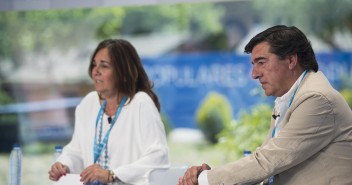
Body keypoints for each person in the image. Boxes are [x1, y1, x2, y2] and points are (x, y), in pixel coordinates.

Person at [178, 25, 352, 185]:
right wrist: (213, 175)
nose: (254, 74)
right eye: (253, 65)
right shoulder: (288, 97)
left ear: (291, 60)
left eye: (261, 62)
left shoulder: (317, 99)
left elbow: (268, 161)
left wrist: (205, 180)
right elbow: (265, 164)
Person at [48, 39, 169, 185]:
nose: (95, 71)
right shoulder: (88, 103)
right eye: (94, 65)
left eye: (104, 66)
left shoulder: (141, 103)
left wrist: (113, 174)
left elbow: (158, 157)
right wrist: (64, 164)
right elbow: (76, 151)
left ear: (123, 72)